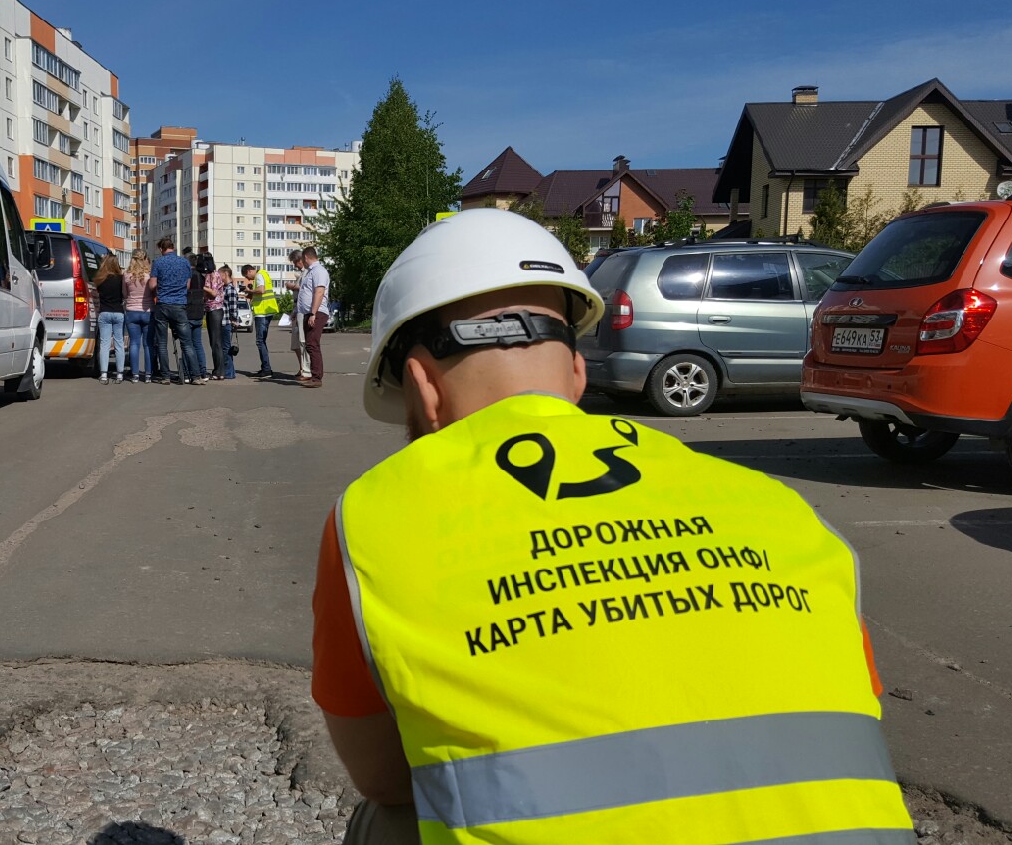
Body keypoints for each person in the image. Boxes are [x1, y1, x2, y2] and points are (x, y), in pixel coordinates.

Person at [312, 209, 914, 845]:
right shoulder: (778, 506)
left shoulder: (374, 515)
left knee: (391, 822)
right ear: (576, 373)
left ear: (423, 390)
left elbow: (382, 777)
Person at [148, 238, 198, 385]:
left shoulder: (158, 262)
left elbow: (152, 285)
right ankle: (195, 376)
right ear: (173, 247)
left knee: (162, 343)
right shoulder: (185, 262)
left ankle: (165, 376)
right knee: (187, 343)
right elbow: (188, 286)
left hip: (163, 304)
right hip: (179, 306)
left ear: (161, 249)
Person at [296, 245, 331, 388]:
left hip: (316, 312)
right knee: (310, 344)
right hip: (308, 312)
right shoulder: (311, 272)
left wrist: (313, 313)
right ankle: (313, 375)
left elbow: (319, 292)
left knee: (312, 344)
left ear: (305, 257)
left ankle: (317, 378)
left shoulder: (319, 271)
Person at [93, 253, 127, 384]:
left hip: (104, 312)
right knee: (119, 343)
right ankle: (119, 375)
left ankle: (104, 375)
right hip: (118, 313)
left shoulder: (100, 279)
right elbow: (124, 294)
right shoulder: (121, 278)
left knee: (105, 344)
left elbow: (97, 292)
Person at [242, 264, 278, 379]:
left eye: (247, 275)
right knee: (262, 341)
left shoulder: (258, 275)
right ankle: (265, 368)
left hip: (262, 312)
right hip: (268, 310)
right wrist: (251, 293)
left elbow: (261, 290)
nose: (248, 279)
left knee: (260, 341)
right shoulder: (264, 274)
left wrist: (250, 290)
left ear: (249, 271)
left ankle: (266, 369)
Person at [123, 249, 153, 383]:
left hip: (131, 312)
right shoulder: (149, 275)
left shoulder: (126, 274)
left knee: (134, 344)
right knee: (148, 344)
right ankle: (148, 375)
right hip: (147, 311)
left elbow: (124, 294)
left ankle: (135, 374)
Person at [284, 249, 313, 380]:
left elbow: (307, 290)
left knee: (303, 341)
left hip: (304, 311)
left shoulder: (308, 272)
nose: (295, 265)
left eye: (295, 262)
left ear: (300, 260)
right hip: (297, 309)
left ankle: (307, 370)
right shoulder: (302, 273)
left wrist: (293, 287)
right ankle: (302, 367)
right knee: (296, 344)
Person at [185, 253, 211, 383]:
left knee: (187, 344)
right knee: (198, 344)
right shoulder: (202, 276)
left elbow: (185, 289)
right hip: (199, 312)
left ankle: (188, 372)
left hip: (189, 311)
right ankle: (203, 371)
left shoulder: (188, 275)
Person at [218, 265, 247, 380]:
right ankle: (227, 370)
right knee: (224, 347)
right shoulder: (224, 288)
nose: (218, 277)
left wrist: (234, 320)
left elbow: (233, 307)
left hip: (226, 322)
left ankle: (229, 372)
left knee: (226, 348)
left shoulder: (230, 289)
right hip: (223, 321)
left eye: (220, 275)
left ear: (225, 274)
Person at [203, 259, 228, 381]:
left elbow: (213, 293)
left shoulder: (211, 275)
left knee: (215, 342)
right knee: (216, 342)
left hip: (214, 309)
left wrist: (203, 287)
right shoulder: (216, 274)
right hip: (215, 309)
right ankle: (219, 370)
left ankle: (219, 371)